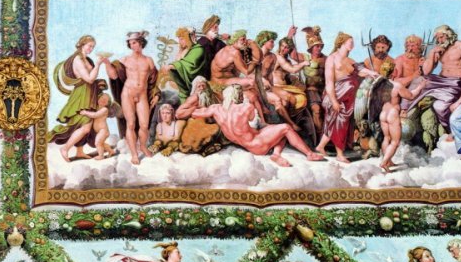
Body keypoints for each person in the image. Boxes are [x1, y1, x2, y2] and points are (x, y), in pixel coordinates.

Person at [182, 85, 324, 165]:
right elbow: (254, 123)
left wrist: (191, 104)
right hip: (258, 145)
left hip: (245, 144)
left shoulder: (215, 109)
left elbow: (193, 113)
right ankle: (309, 154)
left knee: (275, 128)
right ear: (238, 96)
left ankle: (276, 155)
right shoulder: (246, 107)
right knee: (285, 128)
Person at [314, 33, 360, 160]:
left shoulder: (350, 60)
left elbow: (361, 70)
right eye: (350, 42)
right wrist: (334, 101)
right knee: (340, 122)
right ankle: (339, 154)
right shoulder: (332, 58)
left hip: (347, 98)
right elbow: (329, 83)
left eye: (352, 42)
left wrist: (373, 73)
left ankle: (320, 146)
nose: (352, 44)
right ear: (342, 43)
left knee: (333, 123)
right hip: (334, 96)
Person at [119, 32, 158, 164]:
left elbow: (155, 80)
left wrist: (156, 94)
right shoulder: (124, 60)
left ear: (141, 42)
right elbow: (114, 75)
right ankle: (134, 154)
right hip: (128, 94)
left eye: (134, 42)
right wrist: (106, 63)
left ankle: (143, 146)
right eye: (130, 43)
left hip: (142, 95)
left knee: (144, 125)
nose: (132, 45)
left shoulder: (148, 60)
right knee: (130, 124)